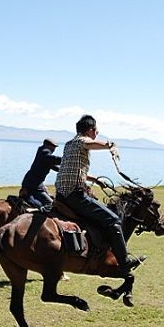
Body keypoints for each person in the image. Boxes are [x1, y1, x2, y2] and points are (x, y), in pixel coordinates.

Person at [54, 114, 144, 275]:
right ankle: (124, 262)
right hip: (74, 195)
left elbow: (74, 169)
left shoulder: (68, 144)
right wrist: (111, 145)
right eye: (96, 131)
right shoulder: (82, 141)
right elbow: (91, 143)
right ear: (90, 130)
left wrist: (94, 179)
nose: (97, 134)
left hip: (62, 194)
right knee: (114, 220)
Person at [19, 138, 61, 212]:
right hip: (33, 186)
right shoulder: (44, 153)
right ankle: (35, 210)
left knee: (51, 197)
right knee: (51, 204)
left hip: (35, 183)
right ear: (47, 145)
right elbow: (53, 159)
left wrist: (65, 170)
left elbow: (53, 166)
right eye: (53, 146)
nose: (54, 149)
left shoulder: (42, 155)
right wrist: (68, 159)